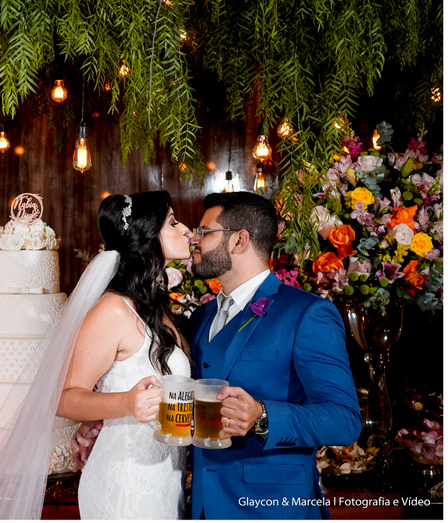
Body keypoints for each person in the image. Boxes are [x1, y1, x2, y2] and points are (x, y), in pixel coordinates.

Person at [73, 191, 362, 519]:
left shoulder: (307, 313)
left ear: (239, 241)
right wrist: (104, 416)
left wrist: (263, 415)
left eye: (205, 231)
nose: (193, 238)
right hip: (196, 503)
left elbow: (345, 419)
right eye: (183, 226)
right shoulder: (200, 319)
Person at [0, 191, 194, 519]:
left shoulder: (155, 309)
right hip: (126, 483)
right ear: (146, 236)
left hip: (165, 477)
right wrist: (126, 403)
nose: (186, 229)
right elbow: (63, 398)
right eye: (173, 222)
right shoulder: (113, 311)